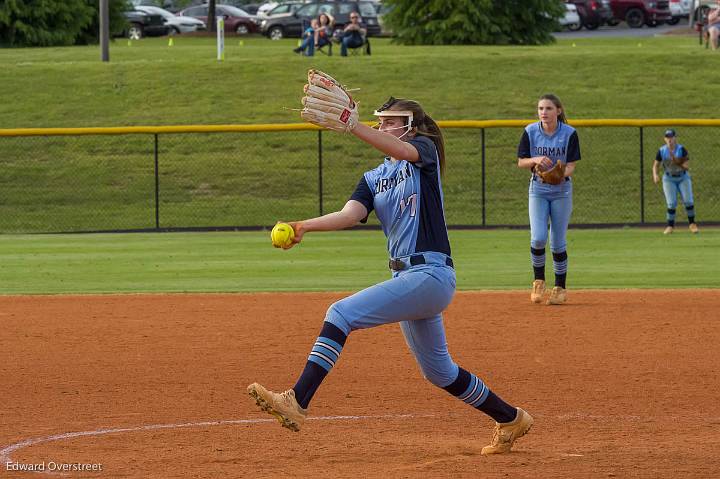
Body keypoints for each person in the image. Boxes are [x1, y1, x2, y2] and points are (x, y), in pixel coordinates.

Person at [248, 94, 533, 455]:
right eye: (379, 122)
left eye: (389, 121)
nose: (382, 127)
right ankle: (511, 418)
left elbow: (404, 153)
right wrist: (303, 225)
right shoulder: (373, 177)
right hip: (408, 281)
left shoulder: (424, 152)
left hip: (430, 273)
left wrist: (354, 126)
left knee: (340, 314)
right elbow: (350, 214)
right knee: (440, 372)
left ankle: (297, 401)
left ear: (410, 126)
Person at [517, 94, 581, 306]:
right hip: (538, 189)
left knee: (557, 241)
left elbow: (571, 165)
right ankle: (538, 281)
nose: (543, 112)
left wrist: (559, 173)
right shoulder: (530, 131)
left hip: (562, 191)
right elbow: (521, 162)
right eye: (540, 108)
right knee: (538, 237)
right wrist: (535, 159)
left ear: (558, 111)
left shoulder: (569, 133)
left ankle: (560, 288)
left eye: (548, 108)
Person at [653, 129, 698, 234]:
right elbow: (655, 165)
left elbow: (686, 167)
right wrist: (655, 175)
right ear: (664, 139)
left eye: (671, 137)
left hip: (683, 177)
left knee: (688, 201)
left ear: (675, 138)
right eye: (667, 137)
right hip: (669, 178)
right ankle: (670, 226)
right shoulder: (661, 150)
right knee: (671, 203)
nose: (670, 140)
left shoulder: (681, 150)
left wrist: (677, 162)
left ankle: (692, 224)